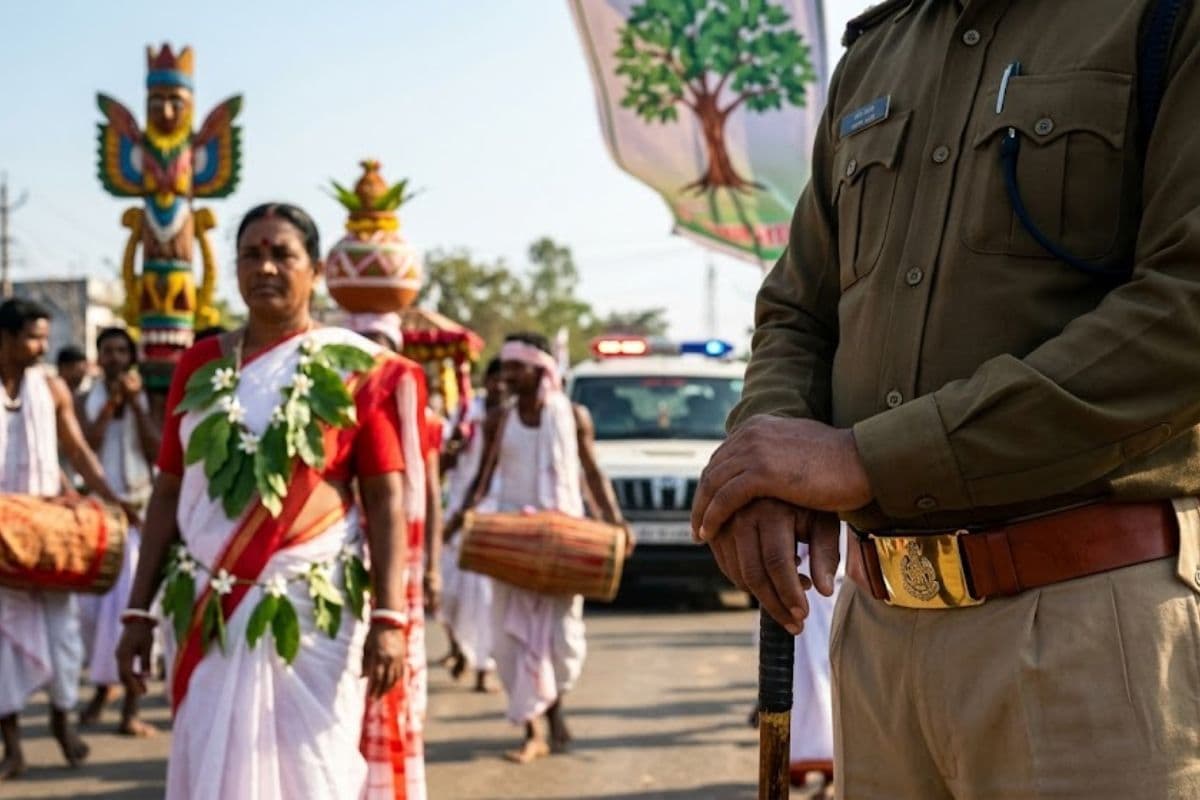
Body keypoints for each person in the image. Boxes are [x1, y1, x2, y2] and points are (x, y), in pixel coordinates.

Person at [692, 3, 1200, 798]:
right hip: (880, 633)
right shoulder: (877, 51)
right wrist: (767, 454)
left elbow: (1186, 313)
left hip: (1089, 624)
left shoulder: (1165, 14)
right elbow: (799, 309)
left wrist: (871, 458)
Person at [115, 203, 429, 799]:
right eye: (251, 254)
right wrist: (137, 611)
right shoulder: (199, 363)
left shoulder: (355, 368)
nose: (266, 267)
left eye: (282, 254)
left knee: (314, 768)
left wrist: (390, 618)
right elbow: (170, 491)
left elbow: (385, 497)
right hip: (207, 604)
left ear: (314, 270)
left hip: (313, 611)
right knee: (213, 754)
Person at [453, 332, 625, 764]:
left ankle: (555, 709)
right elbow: (482, 476)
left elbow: (591, 472)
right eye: (505, 367)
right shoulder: (499, 419)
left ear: (540, 369)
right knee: (510, 641)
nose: (508, 376)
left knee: (562, 641)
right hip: (511, 537)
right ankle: (533, 730)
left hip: (564, 534)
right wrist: (459, 517)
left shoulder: (573, 416)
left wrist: (615, 521)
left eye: (516, 368)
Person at [0, 298, 140, 779]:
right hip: (0, 536)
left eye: (43, 336)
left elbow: (78, 452)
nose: (41, 347)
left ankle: (63, 724)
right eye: (32, 337)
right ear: (6, 338)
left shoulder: (51, 388)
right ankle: (13, 747)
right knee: (2, 644)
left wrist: (113, 500)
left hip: (48, 533)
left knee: (62, 641)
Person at [76, 326, 159, 736]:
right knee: (92, 616)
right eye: (108, 351)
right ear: (99, 357)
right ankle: (101, 690)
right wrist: (111, 403)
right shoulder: (82, 398)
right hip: (98, 515)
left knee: (132, 611)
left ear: (132, 356)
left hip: (139, 516)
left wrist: (137, 405)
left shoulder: (147, 397)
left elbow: (156, 451)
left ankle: (130, 709)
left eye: (122, 351)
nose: (115, 358)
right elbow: (84, 446)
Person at [439, 357, 506, 692]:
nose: (500, 387)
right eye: (496, 379)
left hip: (492, 514)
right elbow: (446, 459)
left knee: (483, 596)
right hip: (458, 506)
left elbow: (489, 473)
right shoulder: (466, 412)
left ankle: (483, 668)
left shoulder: (508, 417)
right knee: (447, 592)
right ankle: (460, 648)